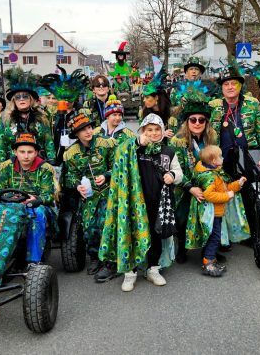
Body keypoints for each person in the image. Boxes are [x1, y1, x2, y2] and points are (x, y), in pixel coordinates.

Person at [99, 113, 184, 292]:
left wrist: (172, 175)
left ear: (163, 131)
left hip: (159, 202)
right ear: (143, 131)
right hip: (135, 202)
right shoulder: (134, 148)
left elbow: (179, 172)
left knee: (155, 235)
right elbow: (119, 154)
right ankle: (130, 273)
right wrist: (137, 143)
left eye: (157, 129)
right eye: (149, 130)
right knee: (131, 233)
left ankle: (153, 269)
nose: (153, 133)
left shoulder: (169, 151)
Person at [208, 61, 260, 239]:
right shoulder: (213, 105)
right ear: (221, 88)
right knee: (224, 196)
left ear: (240, 85)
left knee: (250, 196)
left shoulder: (252, 104)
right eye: (225, 84)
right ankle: (224, 238)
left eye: (233, 83)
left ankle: (255, 235)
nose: (229, 87)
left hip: (248, 157)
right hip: (222, 159)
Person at [62, 113, 117, 279]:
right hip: (88, 195)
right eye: (82, 130)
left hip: (108, 191)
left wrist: (106, 175)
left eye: (89, 127)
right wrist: (77, 185)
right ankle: (95, 257)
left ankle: (110, 262)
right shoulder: (71, 153)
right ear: (76, 134)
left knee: (105, 224)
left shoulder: (106, 144)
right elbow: (69, 176)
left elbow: (117, 165)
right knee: (89, 227)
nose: (87, 132)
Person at [0, 133, 57, 266]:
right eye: (22, 152)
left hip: (36, 206)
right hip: (10, 204)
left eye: (30, 152)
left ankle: (34, 260)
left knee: (37, 213)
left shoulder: (45, 168)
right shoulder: (7, 166)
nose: (26, 156)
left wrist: (36, 199)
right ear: (15, 152)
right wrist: (11, 198)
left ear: (36, 152)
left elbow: (49, 195)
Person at [170, 81, 217, 263]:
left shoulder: (212, 138)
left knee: (210, 218)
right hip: (184, 188)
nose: (197, 123)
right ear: (186, 121)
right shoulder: (177, 141)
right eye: (193, 120)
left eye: (201, 120)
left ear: (206, 122)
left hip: (206, 186)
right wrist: (191, 188)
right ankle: (181, 247)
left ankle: (209, 249)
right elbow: (175, 169)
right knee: (182, 217)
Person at [194, 145, 247, 277]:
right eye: (221, 156)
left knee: (214, 237)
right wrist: (226, 196)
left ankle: (211, 259)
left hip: (217, 212)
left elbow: (225, 187)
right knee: (215, 238)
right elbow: (209, 195)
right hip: (213, 214)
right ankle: (208, 262)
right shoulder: (210, 177)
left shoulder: (216, 172)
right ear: (213, 161)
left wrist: (237, 184)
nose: (223, 158)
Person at [0, 68, 56, 165]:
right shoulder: (5, 119)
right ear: (14, 101)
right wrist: (1, 166)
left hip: (38, 165)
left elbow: (48, 142)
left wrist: (52, 164)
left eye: (25, 96)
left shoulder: (42, 118)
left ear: (31, 99)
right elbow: (0, 145)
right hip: (13, 166)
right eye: (18, 97)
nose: (21, 99)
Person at [41, 69, 89, 167]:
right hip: (56, 157)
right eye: (64, 99)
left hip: (76, 157)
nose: (66, 102)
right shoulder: (51, 115)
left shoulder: (81, 113)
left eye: (69, 99)